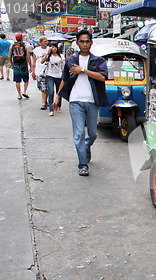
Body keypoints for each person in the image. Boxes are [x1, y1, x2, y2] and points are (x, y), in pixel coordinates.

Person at [53, 29, 109, 176]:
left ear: (91, 43)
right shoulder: (71, 60)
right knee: (78, 134)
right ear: (77, 43)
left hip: (92, 101)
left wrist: (83, 70)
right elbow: (64, 79)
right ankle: (83, 165)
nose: (84, 44)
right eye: (82, 41)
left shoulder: (99, 60)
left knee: (92, 134)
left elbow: (102, 77)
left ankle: (85, 148)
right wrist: (57, 97)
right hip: (75, 101)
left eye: (87, 41)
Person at [41, 42, 65, 116]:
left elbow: (64, 63)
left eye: (55, 47)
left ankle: (58, 106)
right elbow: (42, 61)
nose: (53, 48)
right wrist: (47, 54)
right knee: (51, 92)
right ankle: (51, 109)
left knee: (59, 91)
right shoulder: (48, 56)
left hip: (59, 76)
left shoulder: (60, 56)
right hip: (50, 76)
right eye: (52, 47)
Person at [9, 33, 32, 100]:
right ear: (21, 39)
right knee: (26, 79)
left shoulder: (12, 46)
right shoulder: (25, 46)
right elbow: (28, 57)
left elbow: (10, 56)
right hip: (24, 64)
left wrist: (11, 64)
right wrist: (31, 66)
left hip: (16, 64)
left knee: (17, 80)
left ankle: (19, 94)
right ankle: (24, 91)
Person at [33, 36, 49, 110]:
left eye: (46, 41)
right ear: (40, 42)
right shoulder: (36, 50)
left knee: (48, 87)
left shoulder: (49, 49)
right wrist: (33, 70)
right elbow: (34, 61)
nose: (46, 42)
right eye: (44, 41)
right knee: (43, 88)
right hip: (40, 71)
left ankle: (45, 101)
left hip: (48, 71)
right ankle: (43, 102)